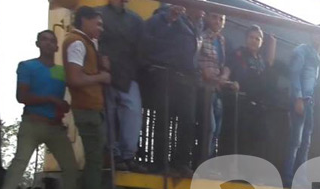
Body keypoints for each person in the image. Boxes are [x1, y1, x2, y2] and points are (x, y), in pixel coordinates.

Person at [0, 30, 78, 189]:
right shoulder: (27, 66)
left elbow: (69, 95)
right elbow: (22, 96)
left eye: (52, 41)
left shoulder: (62, 72)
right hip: (32, 123)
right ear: (37, 44)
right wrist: (50, 99)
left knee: (70, 167)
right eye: (44, 40)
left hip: (55, 127)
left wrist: (63, 105)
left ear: (56, 47)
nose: (48, 43)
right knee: (20, 161)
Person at [64, 6, 131, 189]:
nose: (101, 28)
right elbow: (74, 79)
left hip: (90, 109)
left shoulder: (85, 43)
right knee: (94, 165)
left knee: (93, 163)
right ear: (84, 20)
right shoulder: (77, 43)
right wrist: (102, 76)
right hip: (88, 110)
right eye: (98, 23)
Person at [142, 4, 204, 176]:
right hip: (168, 74)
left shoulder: (198, 26)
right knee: (164, 119)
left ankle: (181, 162)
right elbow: (153, 29)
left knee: (187, 121)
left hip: (188, 78)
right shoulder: (170, 16)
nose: (203, 7)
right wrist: (169, 18)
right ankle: (159, 164)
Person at [98, 0, 146, 172]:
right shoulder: (98, 14)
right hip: (105, 73)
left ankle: (128, 155)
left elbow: (141, 47)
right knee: (108, 115)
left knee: (133, 113)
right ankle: (113, 154)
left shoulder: (136, 19)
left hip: (127, 73)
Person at [283, 30, 320, 185]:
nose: (319, 37)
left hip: (309, 102)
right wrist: (298, 98)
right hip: (301, 100)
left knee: (306, 141)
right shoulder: (302, 50)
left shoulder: (316, 56)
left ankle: (300, 178)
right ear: (311, 35)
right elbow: (294, 74)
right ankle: (288, 177)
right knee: (296, 140)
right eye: (317, 33)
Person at [228, 25, 276, 157]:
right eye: (251, 37)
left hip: (258, 107)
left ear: (261, 42)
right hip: (241, 105)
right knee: (242, 142)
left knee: (262, 140)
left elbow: (269, 66)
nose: (254, 41)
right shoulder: (238, 54)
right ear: (246, 38)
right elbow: (229, 71)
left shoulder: (260, 60)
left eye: (257, 39)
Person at [198, 12, 238, 157]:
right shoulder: (201, 36)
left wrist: (225, 77)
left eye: (221, 19)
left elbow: (226, 64)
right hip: (204, 88)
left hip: (217, 89)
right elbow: (195, 59)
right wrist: (203, 71)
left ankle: (209, 160)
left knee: (217, 129)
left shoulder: (222, 41)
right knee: (209, 127)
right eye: (214, 17)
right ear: (207, 17)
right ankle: (202, 160)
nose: (218, 21)